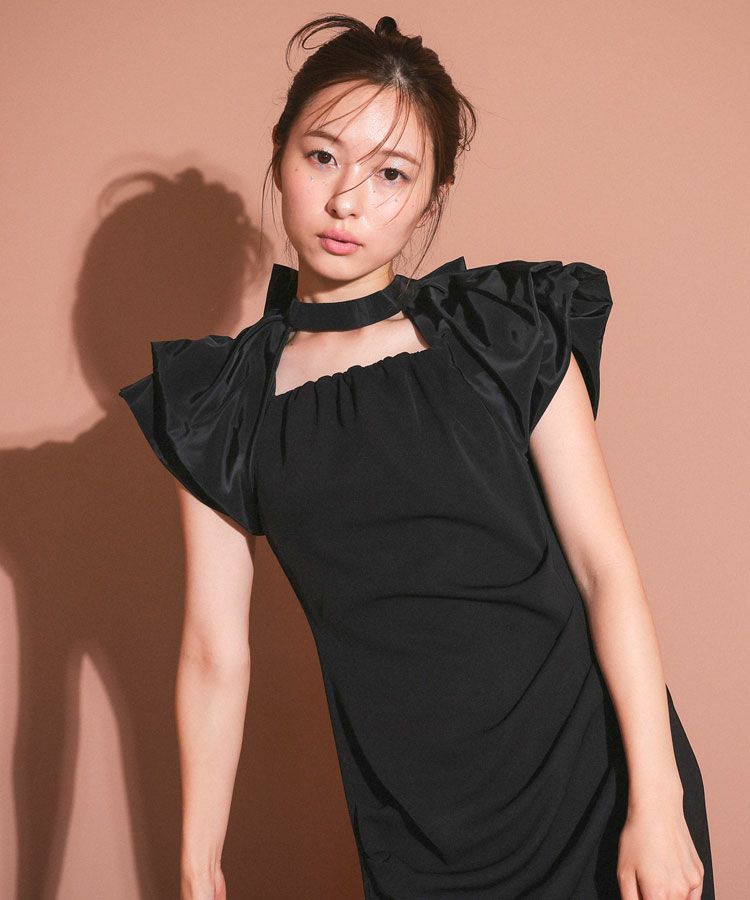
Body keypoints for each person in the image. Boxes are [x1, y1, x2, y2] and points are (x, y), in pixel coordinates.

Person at [119, 13, 715, 900]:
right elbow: (215, 651)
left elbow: (605, 572)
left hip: (597, 784)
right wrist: (197, 865)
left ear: (432, 197)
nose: (347, 200)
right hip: (416, 824)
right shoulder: (222, 403)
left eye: (391, 173)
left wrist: (657, 802)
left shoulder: (504, 331)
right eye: (323, 156)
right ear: (279, 156)